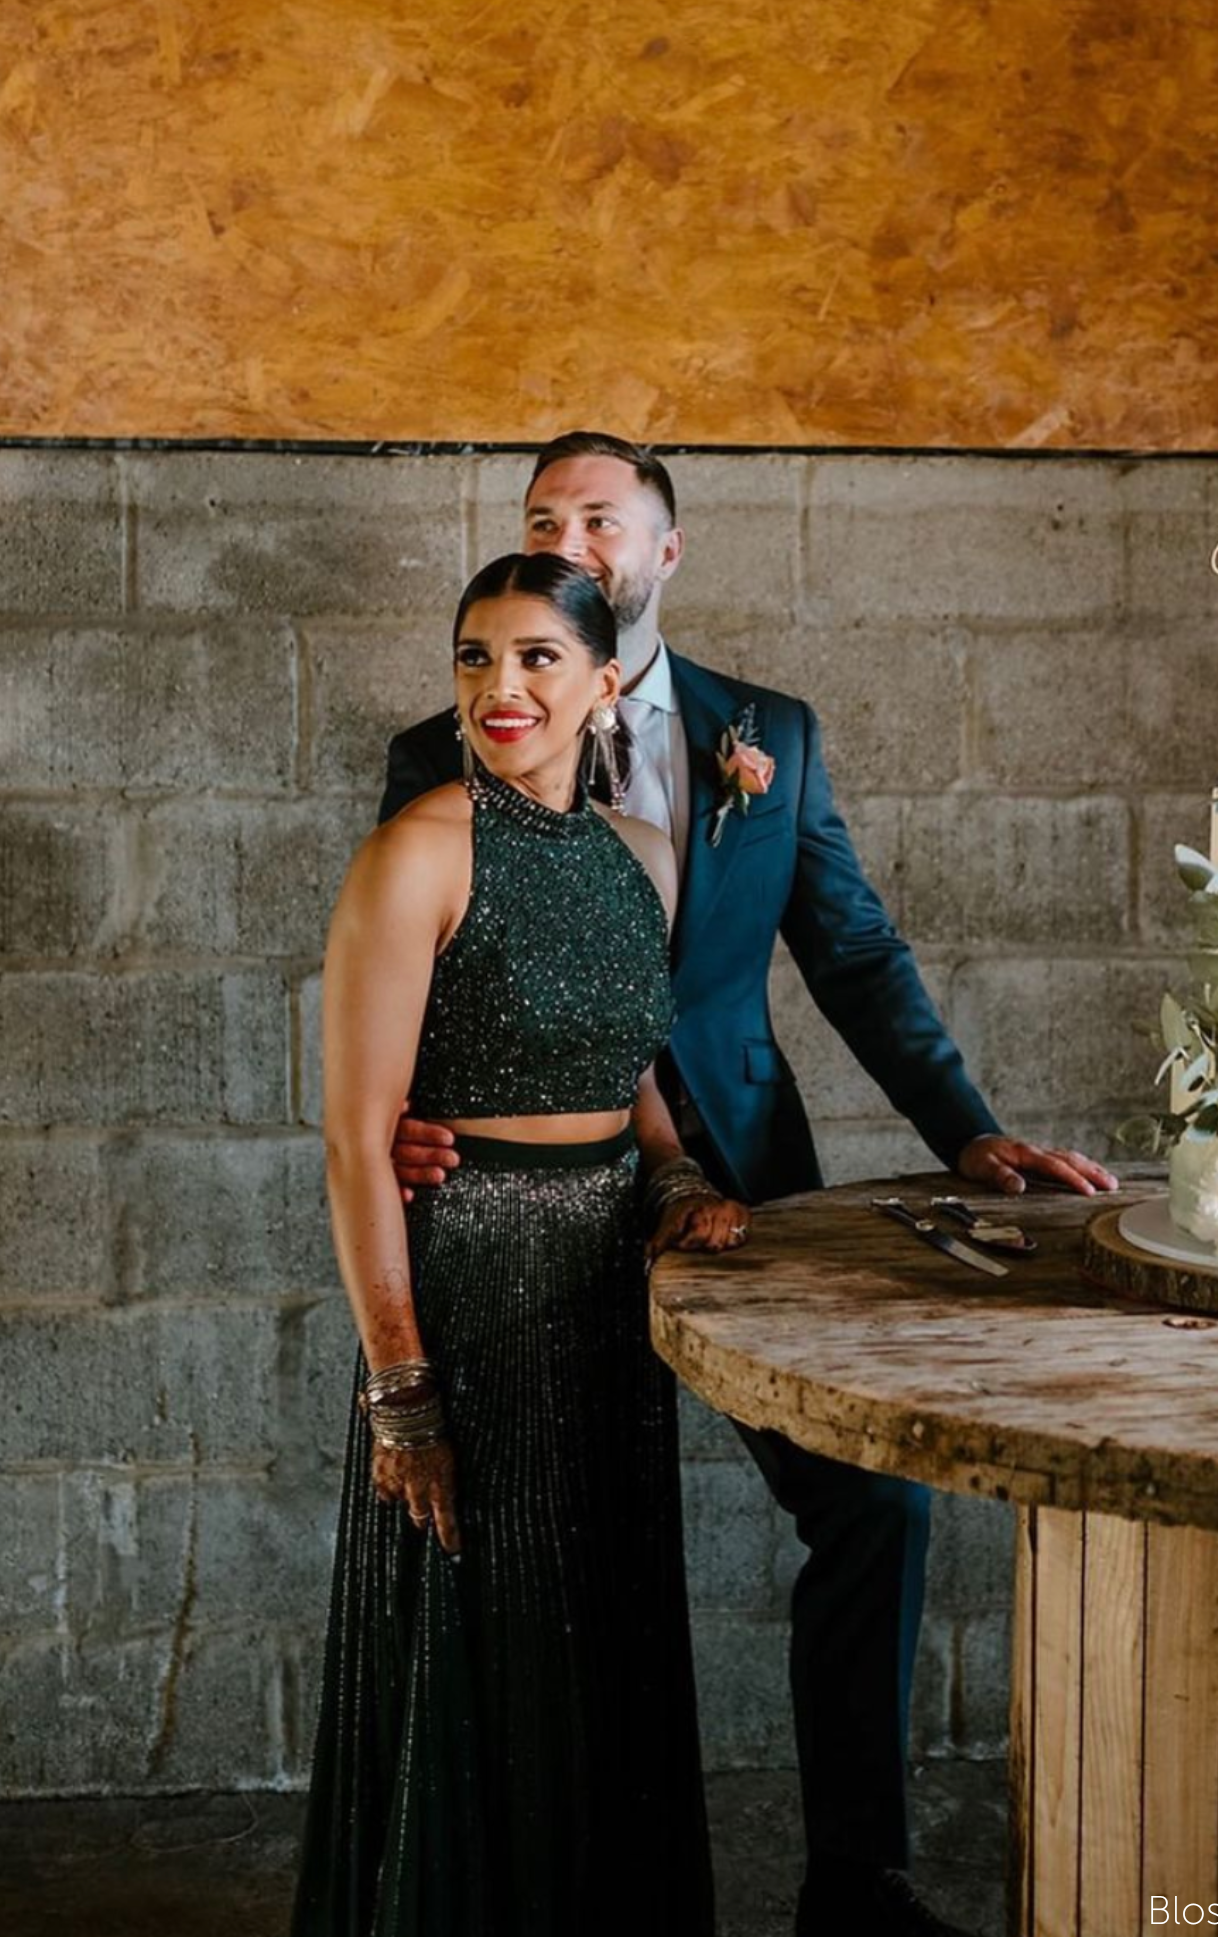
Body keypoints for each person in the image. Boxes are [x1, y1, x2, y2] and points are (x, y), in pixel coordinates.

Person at [384, 433, 1119, 1937]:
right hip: (511, 1207)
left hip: (734, 1188)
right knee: (540, 1536)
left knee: (870, 1508)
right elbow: (394, 976)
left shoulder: (760, 734)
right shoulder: (439, 746)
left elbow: (851, 952)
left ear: (664, 553)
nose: (570, 537)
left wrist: (965, 1129)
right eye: (541, 518)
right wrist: (402, 1114)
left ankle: (857, 1880)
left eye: (600, 517)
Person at [292, 552, 748, 1935]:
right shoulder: (419, 848)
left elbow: (636, 1081)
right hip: (470, 1298)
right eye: (475, 659)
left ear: (605, 683)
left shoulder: (647, 857)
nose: (502, 688)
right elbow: (355, 1140)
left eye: (539, 658)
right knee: (477, 1648)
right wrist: (401, 1394)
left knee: (598, 1634)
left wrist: (674, 1190)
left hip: (610, 1306)